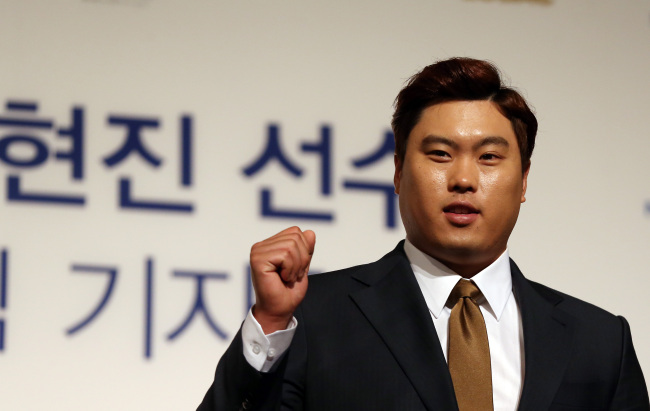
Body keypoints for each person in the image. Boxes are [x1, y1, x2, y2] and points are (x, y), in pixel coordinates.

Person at [197, 58, 649, 410]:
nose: (464, 179)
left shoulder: (598, 342)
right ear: (398, 171)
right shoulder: (316, 318)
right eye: (439, 154)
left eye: (489, 157)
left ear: (525, 180)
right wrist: (271, 325)